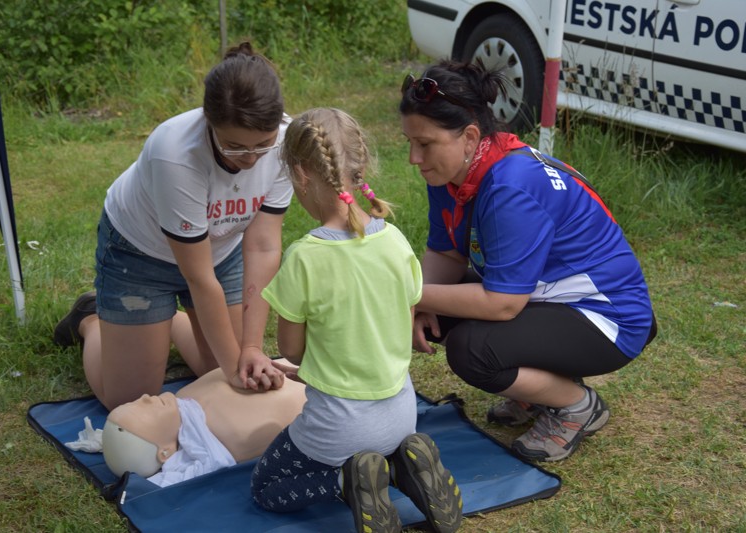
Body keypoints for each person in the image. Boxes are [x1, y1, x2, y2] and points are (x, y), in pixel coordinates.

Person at [399, 59, 658, 463]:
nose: (414, 158)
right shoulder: (455, 170)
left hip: (609, 318)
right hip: (551, 298)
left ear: (469, 136)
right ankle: (537, 389)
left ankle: (575, 404)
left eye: (425, 143)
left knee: (471, 350)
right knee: (437, 314)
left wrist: (411, 295)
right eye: (410, 143)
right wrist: (418, 305)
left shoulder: (509, 186)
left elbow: (503, 303)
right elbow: (446, 252)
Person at [249, 108, 463, 533]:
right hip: (402, 417)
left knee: (267, 485)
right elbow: (398, 328)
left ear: (300, 176)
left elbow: (292, 350)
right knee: (378, 451)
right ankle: (402, 467)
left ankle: (346, 480)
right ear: (359, 168)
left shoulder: (305, 256)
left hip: (338, 430)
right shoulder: (395, 241)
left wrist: (302, 368)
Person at [53, 42, 291, 410]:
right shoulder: (176, 154)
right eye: (234, 147)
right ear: (209, 122)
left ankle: (168, 321)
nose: (249, 159)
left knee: (222, 369)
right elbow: (198, 278)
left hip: (221, 251)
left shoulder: (288, 143)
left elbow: (262, 246)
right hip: (140, 253)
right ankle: (92, 319)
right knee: (131, 402)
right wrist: (234, 369)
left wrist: (250, 349)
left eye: (262, 144)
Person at [101, 359, 308, 487]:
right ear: (164, 452)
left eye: (134, 402)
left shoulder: (184, 397)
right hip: (327, 384)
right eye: (142, 410)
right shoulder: (232, 436)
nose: (145, 397)